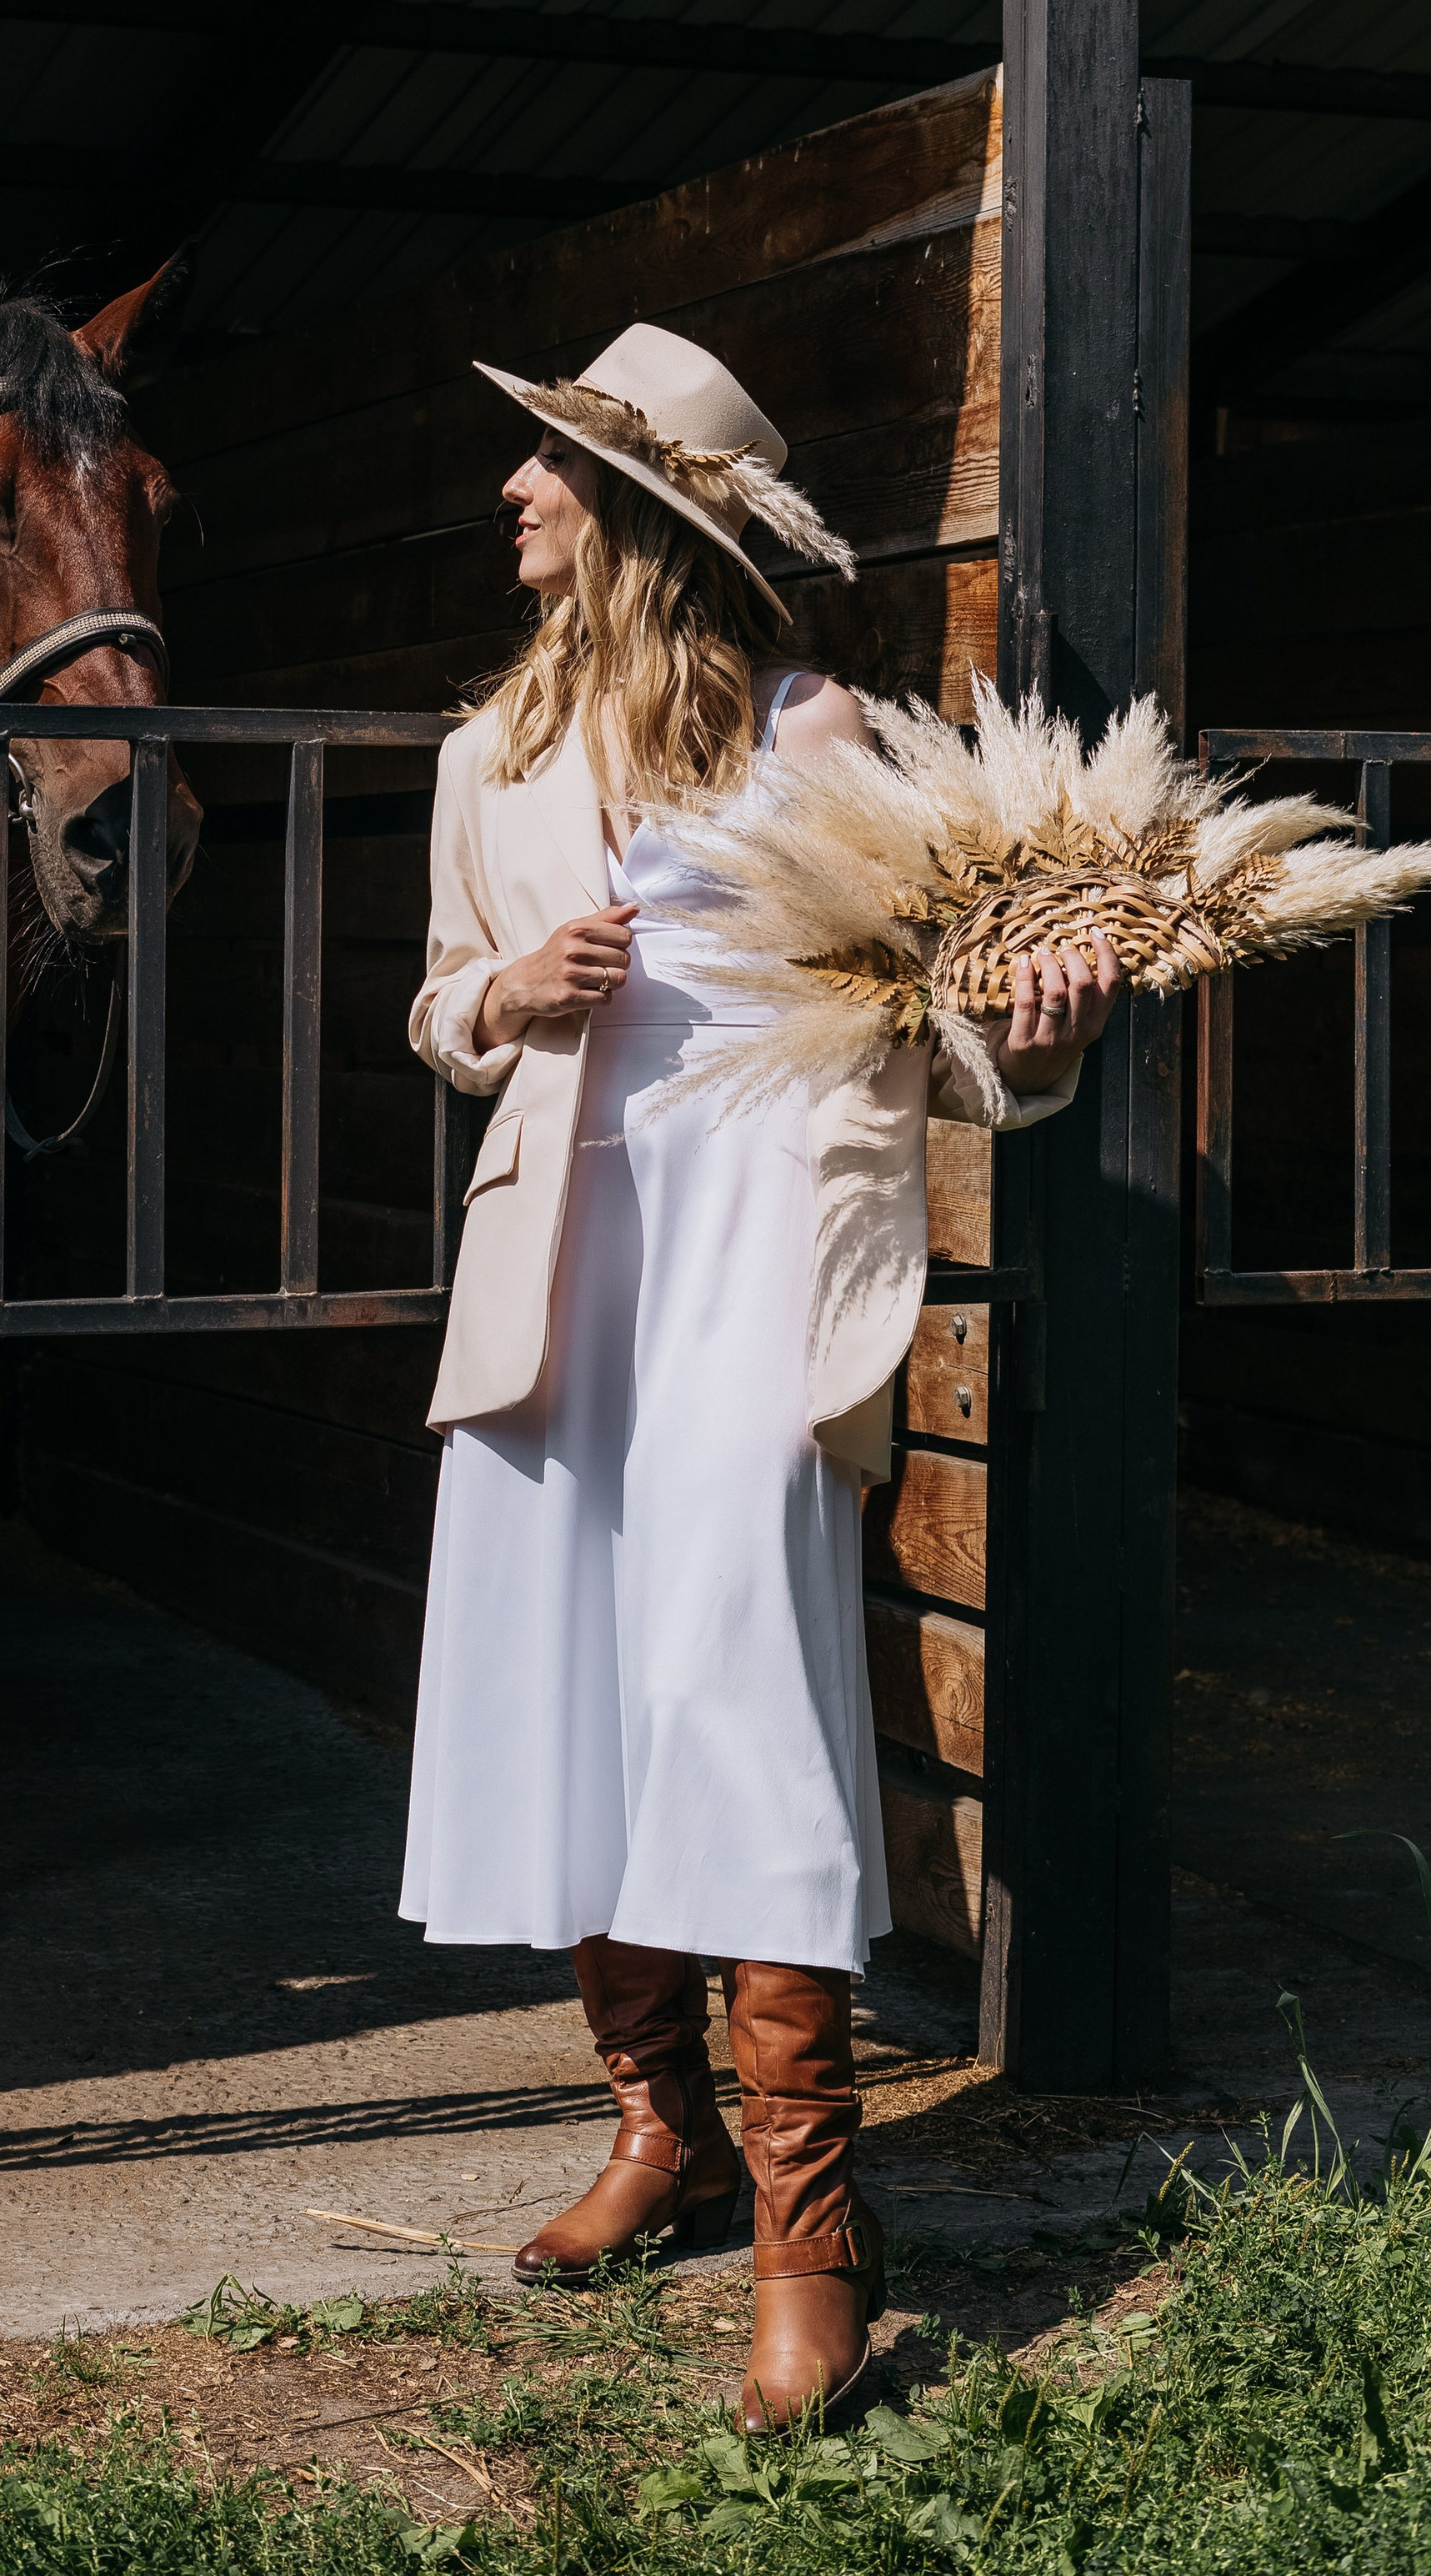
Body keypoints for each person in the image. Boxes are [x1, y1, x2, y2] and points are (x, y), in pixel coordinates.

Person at [402, 323, 1121, 2428]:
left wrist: (1049, 1030)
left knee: (731, 1703)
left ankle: (814, 2229)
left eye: (545, 471)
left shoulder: (830, 744)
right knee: (572, 1703)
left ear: (635, 517)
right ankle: (657, 2132)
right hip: (564, 1286)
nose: (513, 494)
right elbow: (443, 1005)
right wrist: (506, 993)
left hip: (753, 1288)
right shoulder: (486, 759)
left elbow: (964, 1035)